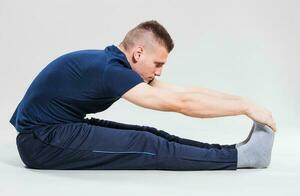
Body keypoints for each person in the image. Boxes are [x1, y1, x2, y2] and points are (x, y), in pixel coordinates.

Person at [10, 20, 277, 170]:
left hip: (56, 130)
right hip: (41, 143)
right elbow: (180, 104)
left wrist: (245, 103)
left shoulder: (114, 63)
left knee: (151, 135)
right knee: (148, 145)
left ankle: (238, 152)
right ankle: (241, 159)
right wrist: (244, 108)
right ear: (138, 53)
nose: (159, 73)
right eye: (158, 64)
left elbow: (185, 92)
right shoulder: (110, 70)